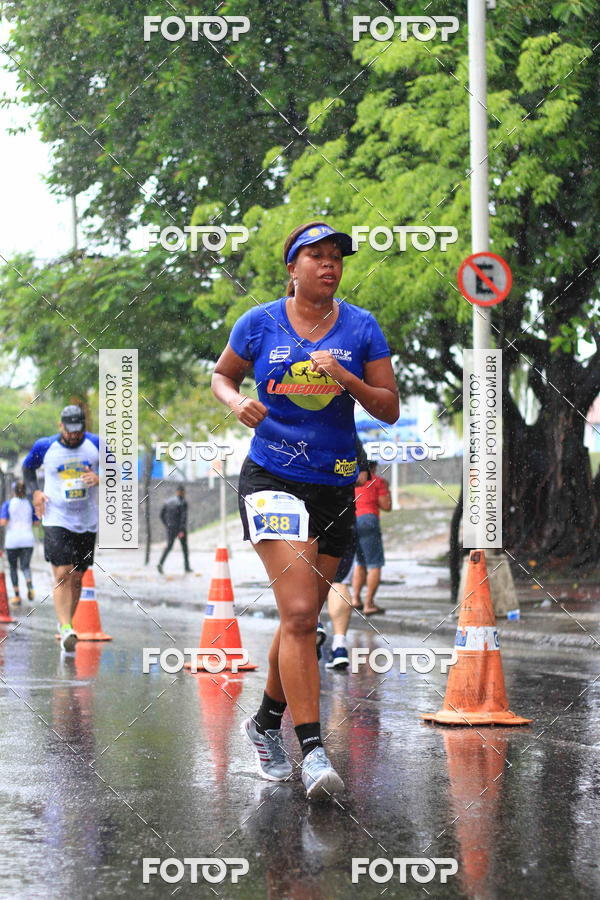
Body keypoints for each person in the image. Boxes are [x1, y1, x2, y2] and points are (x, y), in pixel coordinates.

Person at [211, 221, 399, 799]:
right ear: (291, 268)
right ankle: (312, 749)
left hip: (335, 483)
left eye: (336, 257)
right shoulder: (259, 322)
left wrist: (346, 378)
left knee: (303, 618)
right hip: (271, 477)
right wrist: (237, 400)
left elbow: (389, 408)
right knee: (298, 615)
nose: (328, 265)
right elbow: (221, 374)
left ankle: (264, 722)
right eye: (315, 256)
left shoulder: (362, 327)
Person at [22, 405, 99, 652]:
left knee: (77, 577)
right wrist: (34, 491)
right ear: (61, 426)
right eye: (70, 431)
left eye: (79, 430)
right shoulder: (45, 446)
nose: (75, 435)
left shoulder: (96, 444)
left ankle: (67, 625)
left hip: (87, 520)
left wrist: (99, 478)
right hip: (55, 518)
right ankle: (66, 627)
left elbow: (118, 472)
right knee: (63, 572)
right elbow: (27, 468)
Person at [323, 438, 369, 670]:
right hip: (342, 514)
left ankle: (312, 627)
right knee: (338, 581)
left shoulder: (291, 426)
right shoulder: (347, 434)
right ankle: (339, 646)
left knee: (303, 576)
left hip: (303, 515)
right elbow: (362, 477)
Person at [352, 461, 391, 615]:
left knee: (360, 562)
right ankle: (369, 604)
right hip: (368, 520)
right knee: (375, 564)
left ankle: (356, 599)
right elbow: (386, 506)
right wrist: (387, 490)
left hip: (352, 521)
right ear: (373, 467)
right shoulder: (378, 481)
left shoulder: (352, 481)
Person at [0, 480, 38, 605]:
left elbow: (4, 522)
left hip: (12, 541)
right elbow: (36, 523)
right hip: (27, 540)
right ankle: (30, 584)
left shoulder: (8, 504)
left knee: (13, 568)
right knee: (25, 566)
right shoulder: (29, 504)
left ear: (13, 491)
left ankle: (17, 596)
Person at [157, 486, 192, 574]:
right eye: (183, 492)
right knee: (184, 548)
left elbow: (161, 515)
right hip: (180, 529)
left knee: (169, 546)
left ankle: (160, 564)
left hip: (170, 528)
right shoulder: (183, 502)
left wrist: (167, 524)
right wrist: (181, 530)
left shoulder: (168, 502)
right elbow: (183, 517)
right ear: (182, 492)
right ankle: (187, 567)